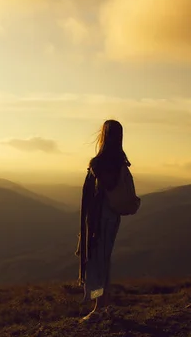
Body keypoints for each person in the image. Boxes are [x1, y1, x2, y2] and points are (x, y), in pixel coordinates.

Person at [75, 119, 131, 322]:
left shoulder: (101, 163)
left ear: (103, 135)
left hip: (101, 219)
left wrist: (94, 169)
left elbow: (102, 187)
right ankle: (103, 304)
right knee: (103, 260)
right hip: (112, 217)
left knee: (98, 261)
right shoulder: (120, 161)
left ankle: (98, 307)